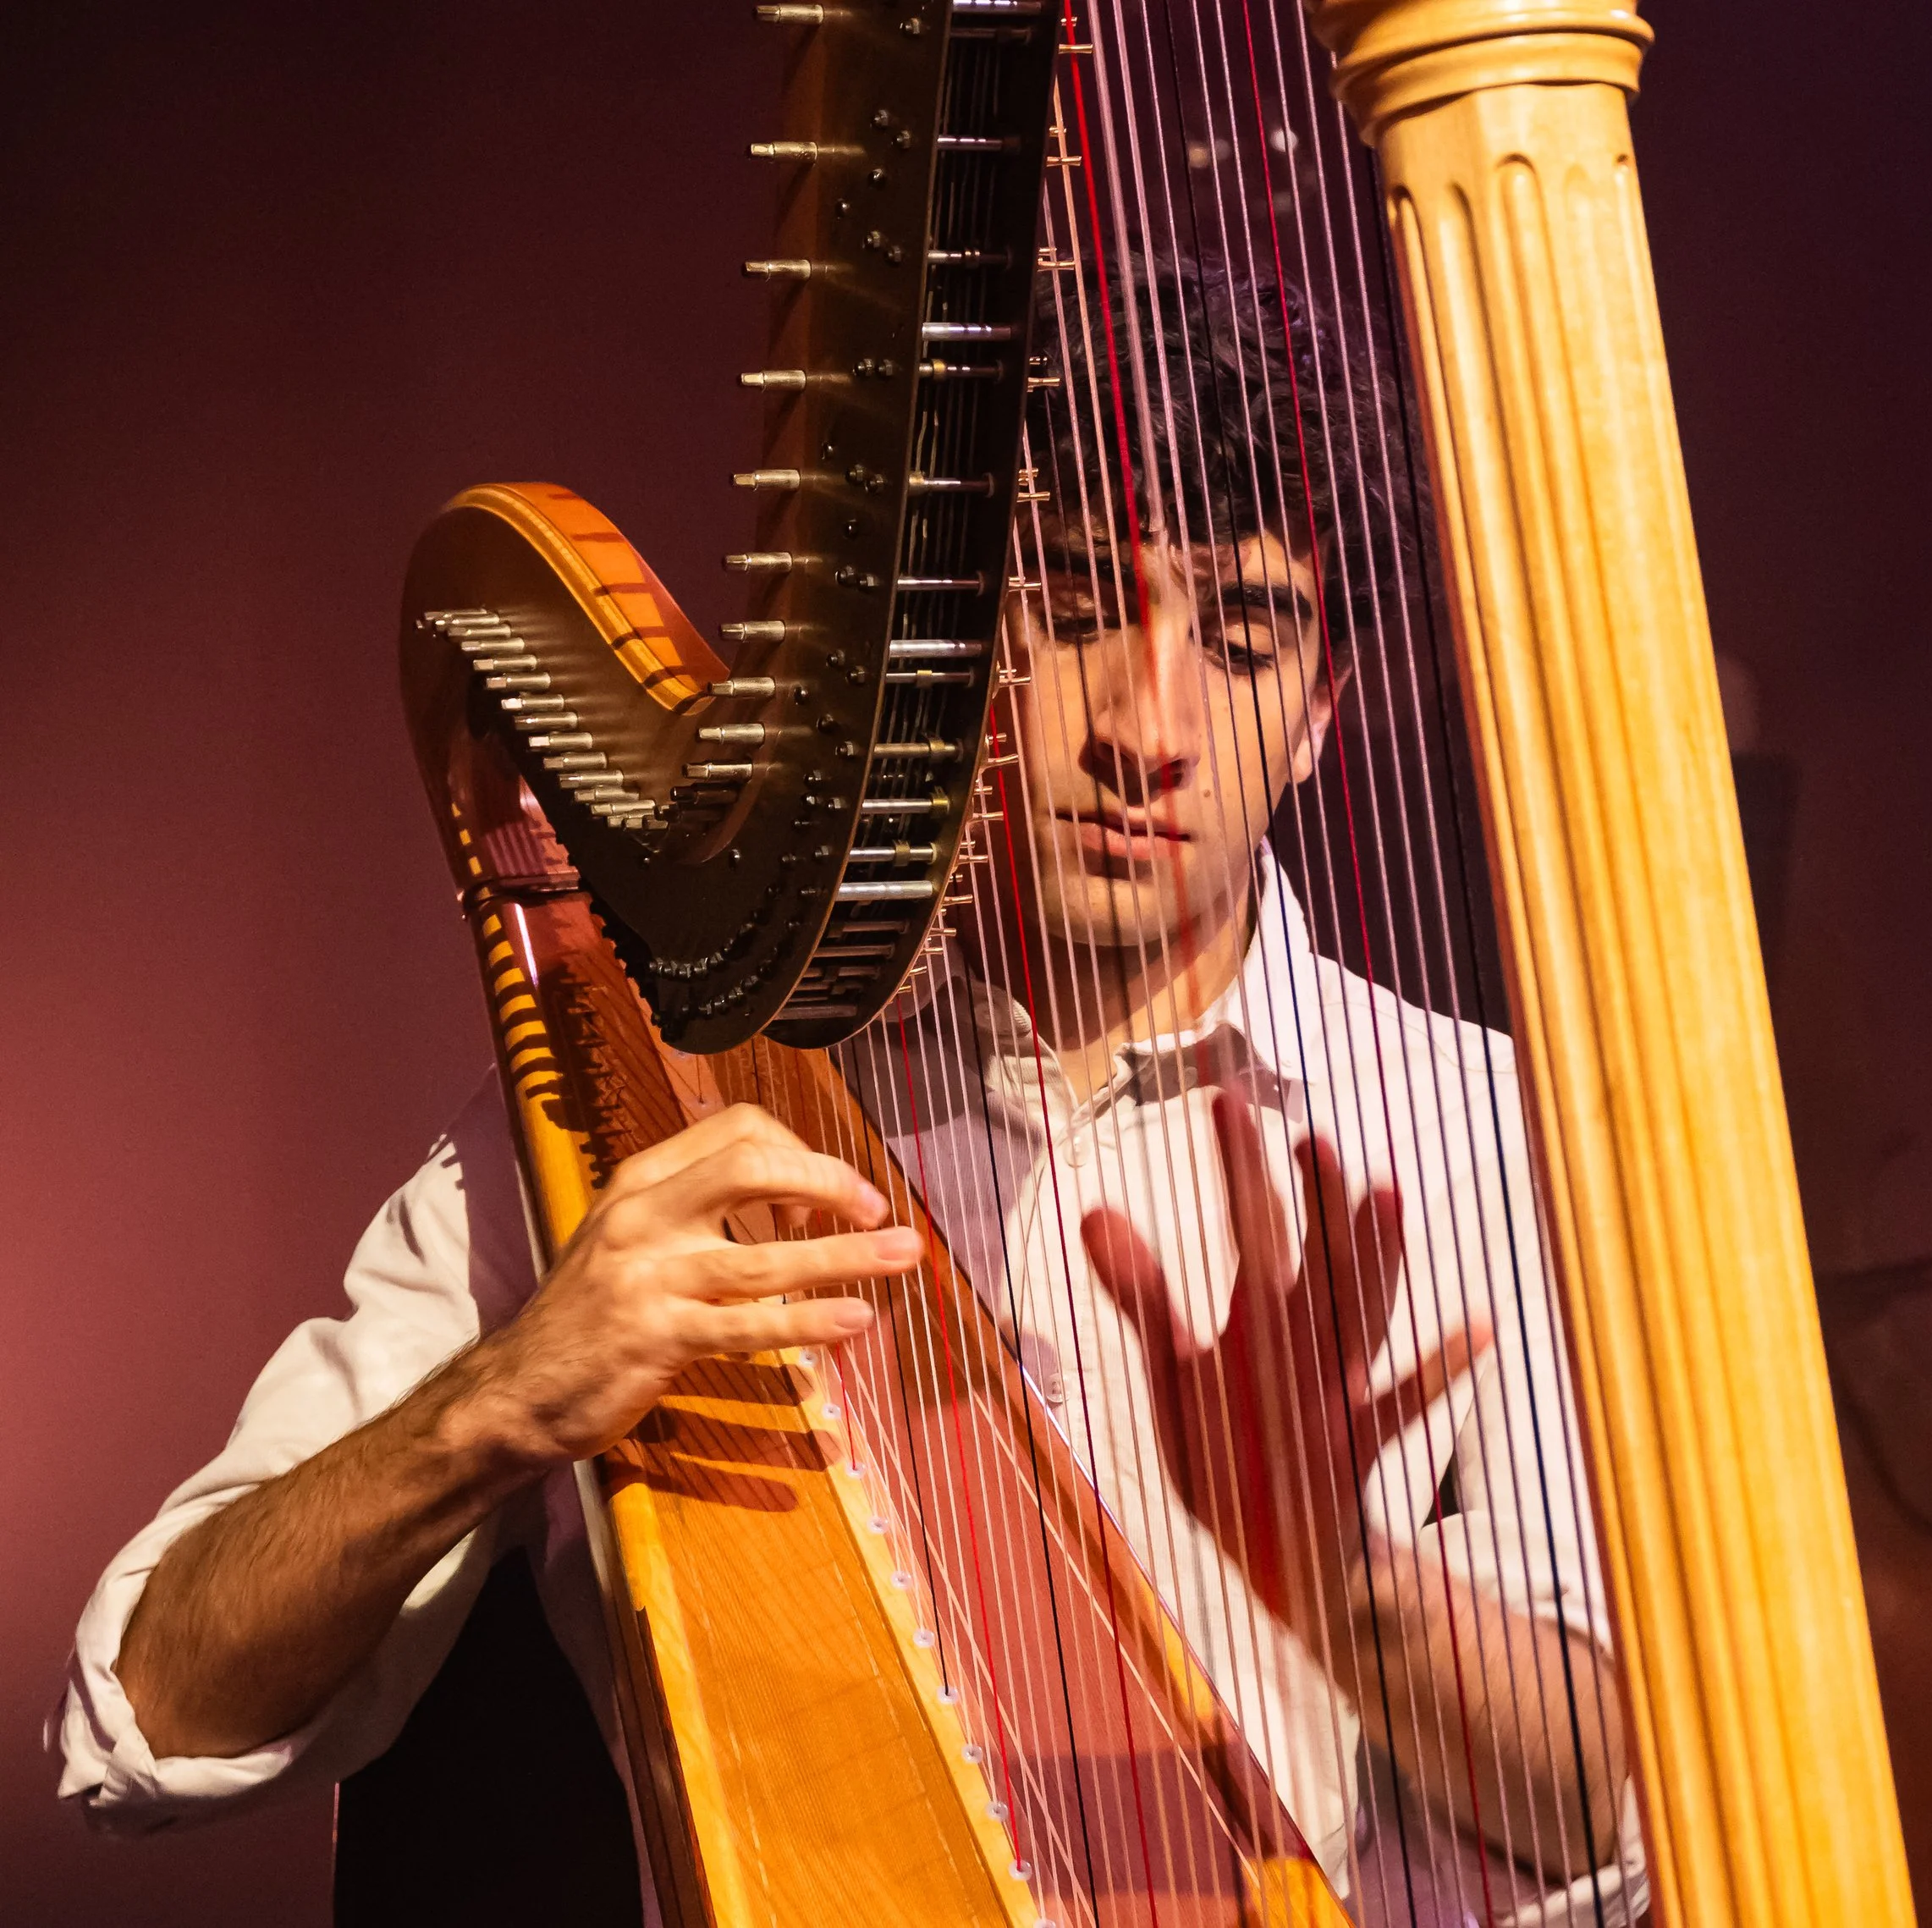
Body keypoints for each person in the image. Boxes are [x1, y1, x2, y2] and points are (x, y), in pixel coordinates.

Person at [54, 260, 1636, 1926]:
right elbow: (143, 1723)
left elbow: (1620, 1806)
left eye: (1241, 642)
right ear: (946, 653)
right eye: (1082, 604)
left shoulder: (1482, 1135)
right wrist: (503, 1395)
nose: (1146, 728)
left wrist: (1349, 1592)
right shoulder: (638, 1120)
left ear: (1322, 716)